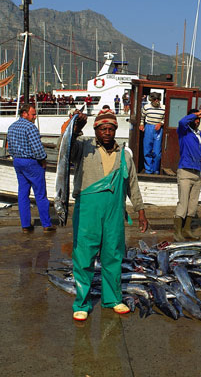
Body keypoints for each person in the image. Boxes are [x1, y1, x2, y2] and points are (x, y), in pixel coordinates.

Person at [63, 109, 148, 321]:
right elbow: (65, 150)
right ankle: (81, 303)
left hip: (114, 212)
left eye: (111, 128)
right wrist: (74, 128)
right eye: (103, 129)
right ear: (96, 130)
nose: (107, 132)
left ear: (116, 131)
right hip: (87, 211)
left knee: (113, 255)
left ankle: (112, 299)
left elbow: (133, 185)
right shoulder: (84, 147)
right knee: (84, 256)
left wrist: (141, 211)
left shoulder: (125, 155)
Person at [7, 103, 55, 234]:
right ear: (24, 113)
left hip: (17, 161)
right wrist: (43, 160)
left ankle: (25, 225)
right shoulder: (30, 127)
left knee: (23, 193)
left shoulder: (11, 127)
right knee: (40, 194)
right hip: (31, 162)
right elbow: (37, 148)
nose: (34, 117)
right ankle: (46, 224)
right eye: (33, 114)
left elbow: (9, 147)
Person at [174, 108, 201, 241]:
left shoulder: (199, 135)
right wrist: (195, 114)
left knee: (193, 204)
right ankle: (177, 232)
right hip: (185, 171)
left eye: (198, 119)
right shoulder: (183, 131)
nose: (197, 121)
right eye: (195, 119)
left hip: (197, 173)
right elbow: (182, 121)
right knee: (183, 202)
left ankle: (187, 229)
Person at [139, 93, 165, 174]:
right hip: (149, 127)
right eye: (154, 99)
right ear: (151, 100)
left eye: (158, 99)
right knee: (147, 149)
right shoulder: (146, 107)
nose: (156, 101)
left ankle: (155, 169)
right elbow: (142, 117)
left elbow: (165, 119)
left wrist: (160, 124)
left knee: (157, 152)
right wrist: (142, 124)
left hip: (158, 129)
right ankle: (148, 169)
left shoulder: (164, 108)